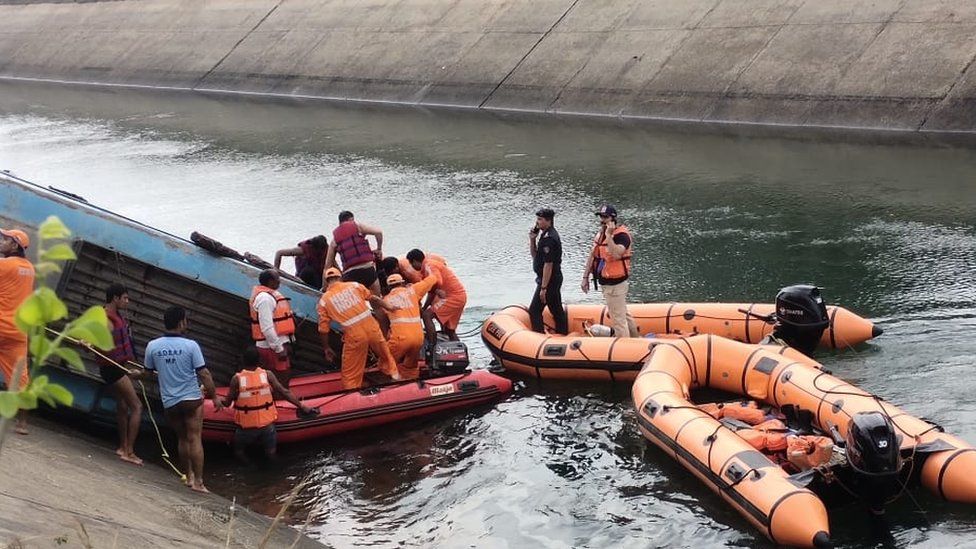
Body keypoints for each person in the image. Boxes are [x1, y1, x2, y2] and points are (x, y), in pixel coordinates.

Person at [140, 306, 222, 493]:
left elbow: (146, 373)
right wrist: (215, 397)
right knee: (195, 438)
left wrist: (135, 374)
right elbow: (204, 374)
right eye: (185, 320)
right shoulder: (191, 346)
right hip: (192, 400)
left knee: (182, 439)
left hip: (170, 402)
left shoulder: (153, 346)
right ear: (181, 322)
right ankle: (199, 482)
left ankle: (189, 477)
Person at [220, 346, 315, 464]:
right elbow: (284, 392)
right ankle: (276, 468)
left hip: (246, 428)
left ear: (243, 360)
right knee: (271, 453)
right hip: (267, 427)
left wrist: (217, 400)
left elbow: (227, 403)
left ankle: (249, 466)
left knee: (239, 452)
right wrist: (302, 406)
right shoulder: (267, 375)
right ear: (259, 360)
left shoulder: (236, 379)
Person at [317, 268, 401, 389]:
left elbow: (323, 329)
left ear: (326, 281)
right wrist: (389, 307)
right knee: (386, 356)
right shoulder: (354, 285)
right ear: (340, 277)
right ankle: (395, 377)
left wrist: (326, 348)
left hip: (354, 335)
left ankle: (352, 390)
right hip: (372, 328)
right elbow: (374, 298)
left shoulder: (324, 301)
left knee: (350, 372)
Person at [98, 283, 144, 465]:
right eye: (125, 298)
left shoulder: (116, 316)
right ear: (115, 298)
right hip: (112, 369)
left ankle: (123, 446)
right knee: (137, 406)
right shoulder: (104, 318)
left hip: (119, 366)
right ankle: (129, 452)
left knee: (123, 405)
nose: (127, 301)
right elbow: (94, 339)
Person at [581, 204, 638, 338]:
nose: (602, 220)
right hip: (606, 282)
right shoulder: (601, 234)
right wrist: (585, 277)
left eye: (605, 217)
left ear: (613, 218)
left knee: (618, 320)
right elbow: (593, 255)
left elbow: (617, 254)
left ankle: (625, 346)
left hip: (616, 284)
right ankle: (636, 339)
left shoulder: (622, 235)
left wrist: (609, 236)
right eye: (600, 216)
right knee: (623, 314)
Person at [0, 228, 34, 435]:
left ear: (15, 245)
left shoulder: (5, 265)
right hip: (18, 332)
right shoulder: (29, 269)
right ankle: (22, 424)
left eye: (5, 240)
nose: (1, 242)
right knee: (21, 378)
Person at [384, 273, 438, 380]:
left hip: (400, 340)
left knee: (384, 364)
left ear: (389, 287)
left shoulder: (385, 300)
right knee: (411, 366)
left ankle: (392, 382)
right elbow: (432, 278)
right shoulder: (413, 290)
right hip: (418, 338)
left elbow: (383, 319)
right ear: (402, 283)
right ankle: (412, 382)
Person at [406, 250, 467, 341]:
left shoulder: (429, 265)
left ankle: (432, 344)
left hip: (453, 297)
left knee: (427, 315)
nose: (412, 267)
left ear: (415, 261)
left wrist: (436, 290)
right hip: (459, 296)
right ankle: (458, 346)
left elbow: (438, 281)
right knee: (449, 330)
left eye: (411, 264)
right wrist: (424, 307)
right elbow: (431, 293)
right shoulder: (425, 270)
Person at [249, 270, 296, 387]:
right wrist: (279, 349)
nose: (279, 281)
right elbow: (267, 328)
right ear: (270, 281)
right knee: (280, 380)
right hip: (271, 347)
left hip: (278, 344)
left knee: (284, 377)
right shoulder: (264, 299)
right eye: (277, 279)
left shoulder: (272, 295)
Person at [528, 208, 568, 335]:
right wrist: (532, 240)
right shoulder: (544, 236)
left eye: (540, 219)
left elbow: (548, 265)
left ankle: (538, 337)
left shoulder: (549, 239)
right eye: (537, 219)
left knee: (534, 310)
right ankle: (563, 333)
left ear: (548, 221)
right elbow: (535, 256)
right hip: (550, 279)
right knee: (556, 309)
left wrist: (543, 288)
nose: (537, 222)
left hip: (549, 280)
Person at [325, 211, 384, 295]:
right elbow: (378, 232)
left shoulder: (334, 240)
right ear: (351, 219)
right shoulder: (358, 227)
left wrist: (325, 288)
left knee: (355, 299)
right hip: (367, 270)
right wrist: (379, 249)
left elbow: (327, 266)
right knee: (376, 297)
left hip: (349, 275)